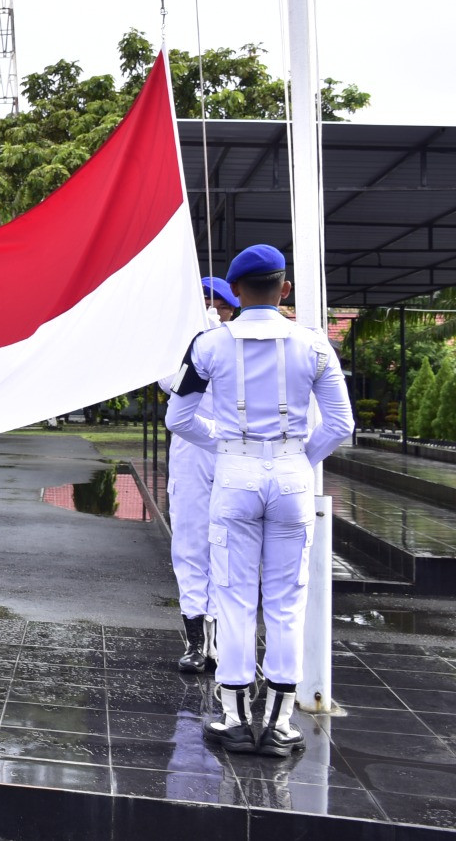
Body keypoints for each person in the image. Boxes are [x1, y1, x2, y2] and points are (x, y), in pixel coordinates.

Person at [166, 245, 352, 758]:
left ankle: (234, 717)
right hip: (293, 475)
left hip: (235, 475)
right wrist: (295, 457)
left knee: (234, 596)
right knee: (288, 601)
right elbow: (341, 424)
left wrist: (229, 446)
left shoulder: (209, 346)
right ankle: (280, 724)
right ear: (284, 289)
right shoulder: (315, 346)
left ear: (237, 292)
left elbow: (177, 419)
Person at [161, 277, 240, 674]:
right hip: (192, 445)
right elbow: (168, 385)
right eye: (203, 303)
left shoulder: (242, 343)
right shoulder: (176, 346)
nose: (212, 309)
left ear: (230, 309)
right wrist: (192, 346)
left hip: (230, 446)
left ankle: (222, 639)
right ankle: (196, 642)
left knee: (228, 544)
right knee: (191, 543)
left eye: (218, 304)